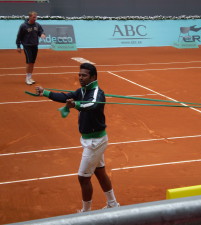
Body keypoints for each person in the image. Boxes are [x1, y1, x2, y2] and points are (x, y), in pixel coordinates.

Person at [35, 63, 120, 212]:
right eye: (79, 75)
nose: (80, 77)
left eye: (84, 75)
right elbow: (65, 96)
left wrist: (76, 104)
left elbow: (92, 104)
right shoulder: (82, 91)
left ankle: (86, 213)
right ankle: (113, 204)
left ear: (93, 77)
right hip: (92, 139)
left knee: (83, 178)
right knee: (100, 172)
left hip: (95, 142)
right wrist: (45, 92)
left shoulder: (96, 93)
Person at [16, 11, 46, 85]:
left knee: (32, 62)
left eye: (36, 17)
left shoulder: (37, 25)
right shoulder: (23, 26)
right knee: (29, 62)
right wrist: (18, 46)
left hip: (35, 45)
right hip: (27, 45)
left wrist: (42, 34)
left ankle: (30, 77)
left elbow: (40, 31)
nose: (35, 18)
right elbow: (19, 36)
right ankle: (27, 78)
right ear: (29, 17)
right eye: (33, 17)